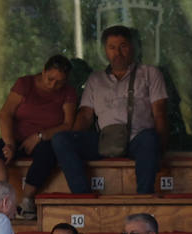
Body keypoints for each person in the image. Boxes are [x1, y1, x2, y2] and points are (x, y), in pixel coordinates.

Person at [51, 25, 168, 195]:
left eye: (123, 46)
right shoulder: (95, 79)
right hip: (105, 140)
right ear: (105, 50)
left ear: (132, 48)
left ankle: (144, 200)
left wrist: (161, 151)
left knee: (150, 139)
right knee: (61, 139)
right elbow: (85, 116)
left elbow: (160, 114)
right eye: (112, 47)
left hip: (138, 139)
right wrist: (75, 139)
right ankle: (83, 197)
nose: (118, 53)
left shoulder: (150, 73)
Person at [0, 54, 77, 220]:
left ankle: (26, 201)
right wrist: (9, 144)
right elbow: (5, 113)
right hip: (17, 138)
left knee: (49, 152)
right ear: (43, 71)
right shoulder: (25, 84)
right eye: (50, 79)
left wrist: (40, 136)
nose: (53, 85)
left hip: (45, 140)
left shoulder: (68, 92)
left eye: (59, 82)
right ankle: (1, 200)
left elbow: (68, 125)